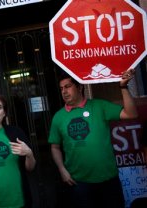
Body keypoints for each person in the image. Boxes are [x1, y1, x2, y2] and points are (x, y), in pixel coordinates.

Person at [48, 69, 138, 208]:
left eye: (68, 87)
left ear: (80, 87)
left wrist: (123, 87)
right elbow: (55, 147)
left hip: (108, 180)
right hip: (79, 182)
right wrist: (62, 170)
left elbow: (131, 113)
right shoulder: (58, 117)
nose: (64, 92)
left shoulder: (99, 106)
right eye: (61, 88)